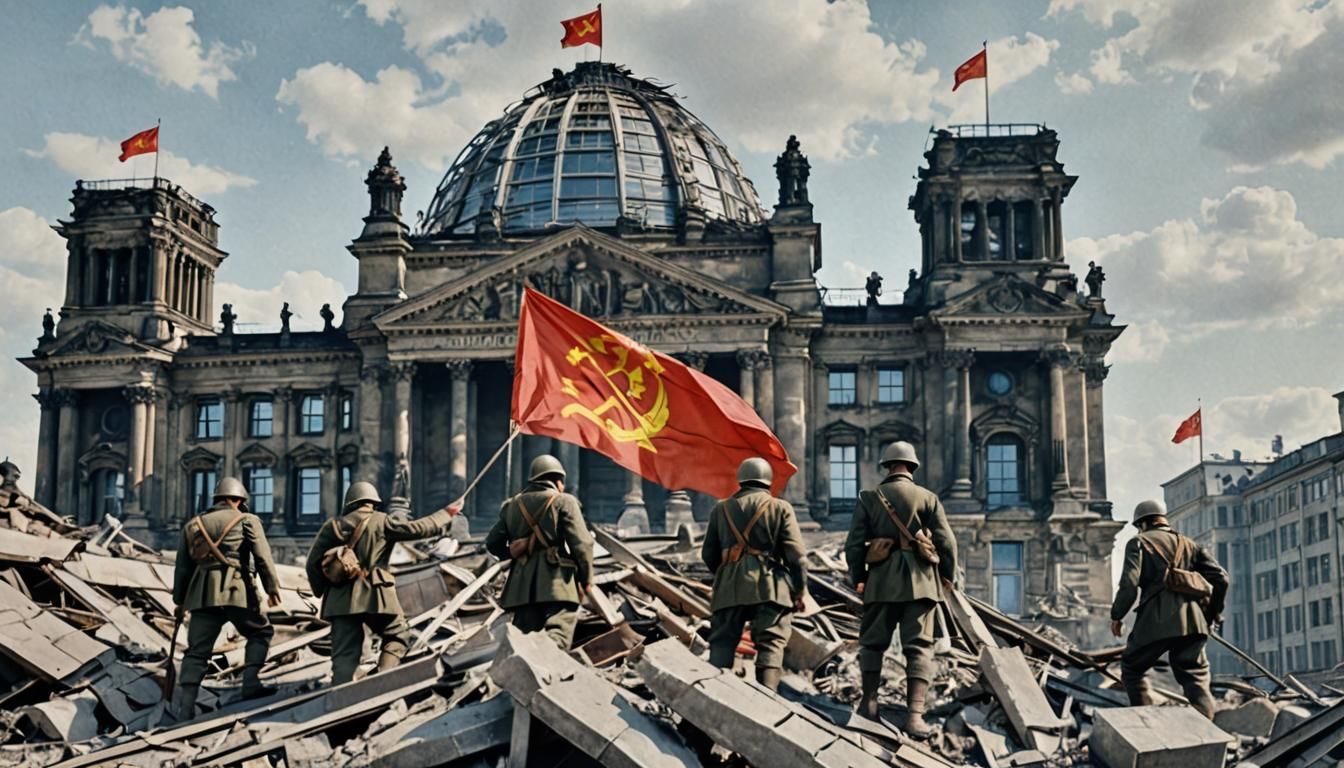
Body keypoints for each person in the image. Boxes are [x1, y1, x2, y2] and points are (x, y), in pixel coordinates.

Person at [844, 441, 957, 738]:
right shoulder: (928, 498)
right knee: (918, 647)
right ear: (912, 466)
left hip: (880, 583)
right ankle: (915, 718)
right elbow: (946, 541)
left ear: (887, 466)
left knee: (872, 644)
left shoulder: (869, 498)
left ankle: (868, 706)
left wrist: (859, 577)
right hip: (921, 585)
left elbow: (853, 544)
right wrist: (948, 575)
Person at [305, 482, 459, 685]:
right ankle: (383, 680)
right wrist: (447, 513)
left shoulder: (332, 526)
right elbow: (419, 528)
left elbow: (312, 564)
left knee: (344, 654)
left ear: (350, 502)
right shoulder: (382, 521)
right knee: (398, 635)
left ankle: (340, 694)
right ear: (373, 502)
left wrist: (322, 591)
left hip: (339, 601)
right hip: (376, 597)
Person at [171, 477, 281, 720]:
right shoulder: (247, 520)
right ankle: (250, 683)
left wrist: (180, 602)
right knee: (260, 632)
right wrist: (272, 588)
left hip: (202, 595)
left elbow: (183, 568)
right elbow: (262, 556)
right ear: (239, 500)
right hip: (237, 590)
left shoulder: (193, 525)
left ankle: (185, 708)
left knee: (197, 651)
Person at [1110, 499, 1228, 719]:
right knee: (1195, 675)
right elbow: (1221, 578)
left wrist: (1117, 616)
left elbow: (1129, 585)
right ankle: (1207, 728)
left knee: (1132, 668)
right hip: (1193, 623)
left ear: (1142, 523)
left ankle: (1146, 722)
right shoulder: (1189, 544)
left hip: (1154, 623)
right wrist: (1212, 614)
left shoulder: (1138, 543)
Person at [700, 457, 807, 691]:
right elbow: (797, 557)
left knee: (722, 642)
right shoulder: (781, 508)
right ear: (768, 481)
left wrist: (726, 575)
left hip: (729, 587)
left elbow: (708, 554)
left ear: (741, 479)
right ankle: (768, 699)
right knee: (771, 643)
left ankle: (715, 696)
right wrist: (799, 590)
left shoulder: (720, 509)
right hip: (771, 586)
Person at [485, 455, 594, 650]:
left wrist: (513, 551)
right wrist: (586, 579)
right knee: (558, 635)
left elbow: (493, 543)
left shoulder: (512, 505)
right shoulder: (564, 501)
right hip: (556, 584)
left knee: (525, 643)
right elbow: (582, 544)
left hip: (520, 588)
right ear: (557, 481)